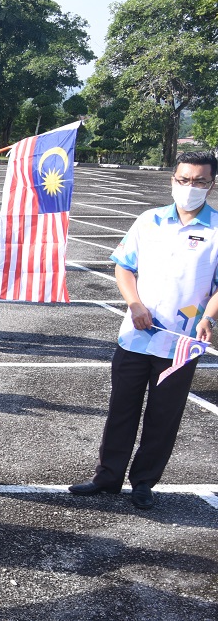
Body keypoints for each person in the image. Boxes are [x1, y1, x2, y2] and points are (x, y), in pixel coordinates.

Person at [69, 150, 218, 510]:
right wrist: (134, 304)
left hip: (181, 342)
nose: (190, 187)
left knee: (163, 417)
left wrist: (209, 318)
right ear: (172, 180)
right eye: (183, 179)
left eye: (199, 181)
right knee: (122, 409)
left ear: (211, 184)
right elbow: (124, 267)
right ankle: (107, 477)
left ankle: (144, 483)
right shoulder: (150, 220)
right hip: (135, 335)